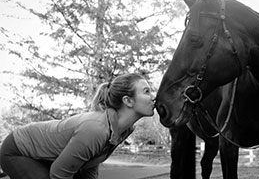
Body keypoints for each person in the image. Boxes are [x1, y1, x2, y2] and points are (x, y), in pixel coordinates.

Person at [0, 73, 155, 179]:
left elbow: (91, 161)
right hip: (17, 151)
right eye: (147, 91)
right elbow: (59, 174)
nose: (153, 97)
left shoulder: (123, 129)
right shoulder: (96, 129)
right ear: (128, 101)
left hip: (48, 157)